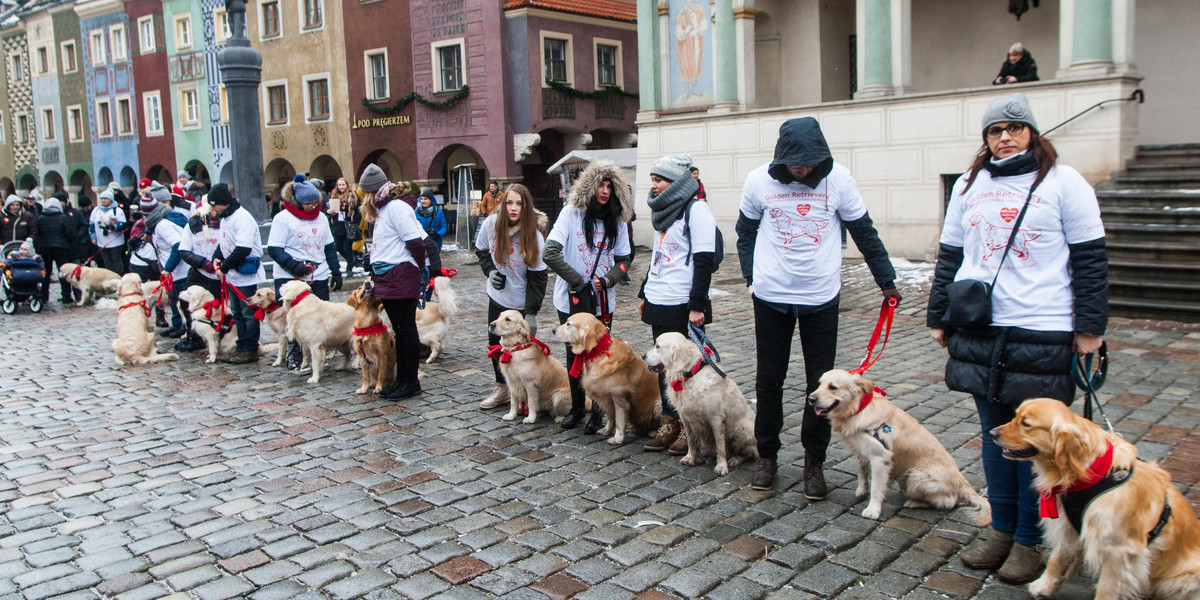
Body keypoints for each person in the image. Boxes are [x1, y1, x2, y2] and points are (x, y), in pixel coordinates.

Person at [927, 92, 1108, 584]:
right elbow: (951, 255)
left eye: (1014, 128)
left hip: (1043, 327)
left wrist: (1090, 328)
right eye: (994, 131)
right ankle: (1002, 528)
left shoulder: (1064, 183)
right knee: (997, 435)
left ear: (1032, 133)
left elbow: (1090, 259)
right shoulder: (970, 184)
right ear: (985, 140)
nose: (1004, 137)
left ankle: (1032, 538)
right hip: (983, 325)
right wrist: (939, 316)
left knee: (1037, 444)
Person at [736, 117, 901, 495]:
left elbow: (864, 231)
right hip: (771, 296)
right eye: (795, 163)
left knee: (820, 384)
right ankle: (768, 456)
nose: (802, 169)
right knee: (769, 380)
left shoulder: (839, 179)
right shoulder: (758, 180)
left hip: (820, 297)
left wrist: (886, 280)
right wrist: (751, 276)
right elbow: (745, 232)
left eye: (809, 162)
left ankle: (814, 462)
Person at [543, 160, 634, 432]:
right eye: (600, 185)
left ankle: (597, 413)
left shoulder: (616, 220)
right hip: (571, 297)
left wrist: (608, 279)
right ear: (589, 186)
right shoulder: (571, 213)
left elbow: (624, 259)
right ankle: (577, 408)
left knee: (598, 354)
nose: (605, 191)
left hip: (602, 300)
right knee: (575, 353)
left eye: (609, 186)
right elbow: (550, 252)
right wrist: (577, 281)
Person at [638, 155, 716, 454]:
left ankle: (690, 428)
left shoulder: (696, 210)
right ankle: (669, 423)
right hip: (660, 297)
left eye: (659, 180)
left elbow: (704, 260)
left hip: (683, 301)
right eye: (653, 180)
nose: (654, 186)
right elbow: (658, 255)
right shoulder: (663, 213)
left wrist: (697, 305)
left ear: (676, 182)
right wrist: (645, 292)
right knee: (662, 365)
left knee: (689, 369)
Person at [361, 165, 431, 400]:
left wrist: (420, 268)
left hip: (400, 276)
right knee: (399, 332)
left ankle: (411, 381)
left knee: (406, 330)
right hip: (387, 278)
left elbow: (416, 243)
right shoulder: (383, 208)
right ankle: (401, 379)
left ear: (372, 192)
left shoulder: (397, 207)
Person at [476, 183, 549, 410]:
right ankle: (503, 388)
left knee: (522, 351)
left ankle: (526, 393)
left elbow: (538, 278)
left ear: (526, 206)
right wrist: (490, 271)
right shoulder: (490, 224)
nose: (513, 208)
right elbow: (480, 251)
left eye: (519, 203)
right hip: (497, 297)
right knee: (495, 345)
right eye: (509, 202)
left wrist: (531, 313)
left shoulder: (534, 236)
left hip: (520, 303)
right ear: (503, 203)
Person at [267, 175, 342, 369]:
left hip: (318, 273)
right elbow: (274, 249)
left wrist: (336, 271)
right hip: (291, 278)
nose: (312, 206)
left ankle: (318, 353)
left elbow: (329, 247)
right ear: (298, 203)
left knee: (319, 316)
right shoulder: (283, 218)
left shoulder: (322, 218)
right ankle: (295, 353)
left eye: (315, 202)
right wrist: (293, 265)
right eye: (308, 203)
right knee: (294, 317)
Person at [209, 183, 267, 364]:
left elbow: (243, 247)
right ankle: (241, 345)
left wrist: (225, 267)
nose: (212, 209)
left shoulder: (242, 218)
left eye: (214, 204)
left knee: (247, 313)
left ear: (223, 202)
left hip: (244, 274)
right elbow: (225, 242)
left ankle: (250, 348)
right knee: (237, 312)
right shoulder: (226, 218)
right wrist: (217, 257)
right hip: (233, 275)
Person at [143, 188, 190, 339]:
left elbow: (178, 246)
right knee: (173, 298)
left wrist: (168, 268)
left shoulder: (163, 226)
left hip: (180, 271)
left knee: (183, 303)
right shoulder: (158, 224)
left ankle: (189, 331)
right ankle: (177, 325)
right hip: (173, 273)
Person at [35, 198, 81, 304]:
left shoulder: (40, 218)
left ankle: (44, 295)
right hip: (62, 248)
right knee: (63, 272)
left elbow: (38, 235)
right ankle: (66, 295)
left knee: (46, 273)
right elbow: (69, 233)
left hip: (45, 248)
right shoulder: (63, 218)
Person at [89, 188, 127, 275]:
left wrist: (113, 226)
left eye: (106, 199)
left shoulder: (117, 210)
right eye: (102, 198)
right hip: (101, 242)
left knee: (116, 262)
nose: (103, 200)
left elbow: (123, 225)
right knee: (107, 262)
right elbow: (91, 225)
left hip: (115, 241)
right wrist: (93, 237)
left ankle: (119, 277)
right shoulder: (96, 210)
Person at [328, 178, 359, 275]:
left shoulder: (351, 196)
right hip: (337, 225)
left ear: (346, 185)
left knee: (347, 247)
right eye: (339, 185)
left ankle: (349, 267)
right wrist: (329, 212)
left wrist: (353, 220)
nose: (341, 187)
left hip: (348, 225)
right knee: (337, 246)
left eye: (343, 185)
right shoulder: (334, 197)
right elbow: (330, 211)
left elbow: (357, 211)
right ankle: (351, 261)